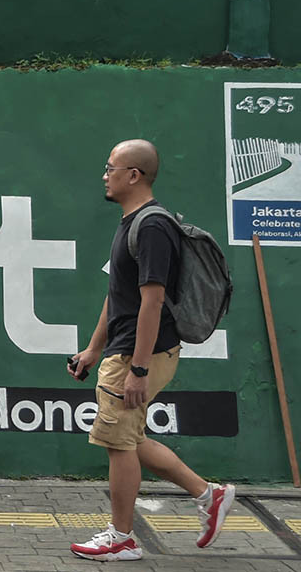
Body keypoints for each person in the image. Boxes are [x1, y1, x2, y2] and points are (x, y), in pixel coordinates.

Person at [68, 140, 234, 562]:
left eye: (111, 167)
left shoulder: (153, 227)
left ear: (134, 175)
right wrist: (92, 349)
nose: (105, 174)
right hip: (126, 350)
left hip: (140, 355)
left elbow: (152, 301)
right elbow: (118, 294)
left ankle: (121, 538)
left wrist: (137, 368)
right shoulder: (131, 223)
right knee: (128, 438)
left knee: (118, 443)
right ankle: (208, 495)